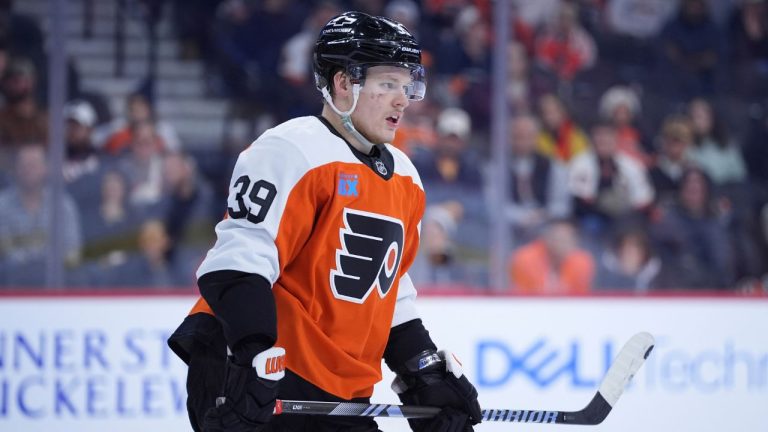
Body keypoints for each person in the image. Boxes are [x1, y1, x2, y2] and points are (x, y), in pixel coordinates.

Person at [167, 11, 482, 432]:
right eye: (387, 84)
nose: (402, 100)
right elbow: (238, 263)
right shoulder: (291, 150)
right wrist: (254, 354)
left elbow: (388, 290)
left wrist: (422, 370)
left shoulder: (405, 176)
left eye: (406, 86)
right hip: (259, 376)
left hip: (338, 390)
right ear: (343, 84)